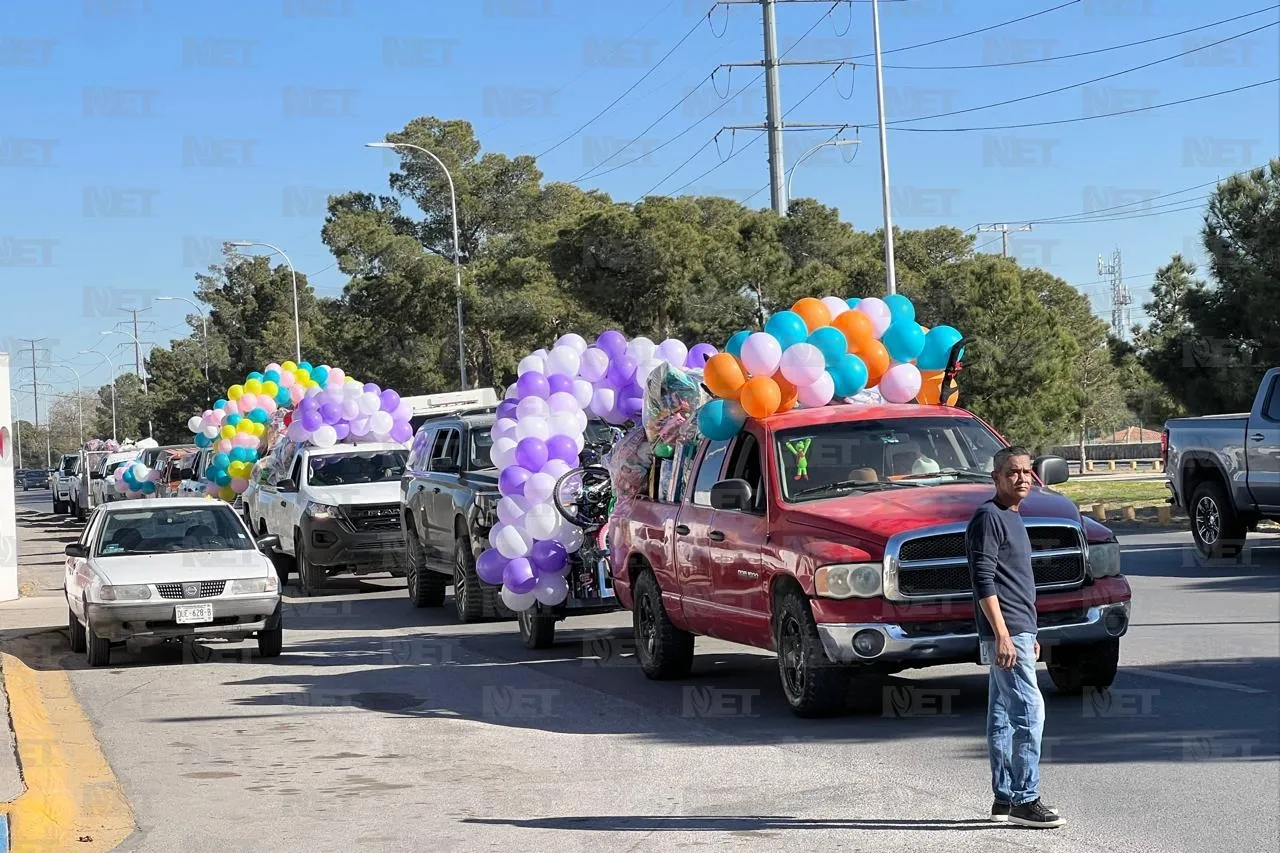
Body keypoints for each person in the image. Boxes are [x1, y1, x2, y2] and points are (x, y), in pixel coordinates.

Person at [965, 445, 1065, 829]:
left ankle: (1005, 799)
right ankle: (1026, 799)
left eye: (1026, 472)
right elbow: (983, 580)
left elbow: (1016, 584)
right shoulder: (989, 516)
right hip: (1006, 634)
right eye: (1012, 472)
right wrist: (1004, 635)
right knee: (1029, 713)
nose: (1021, 478)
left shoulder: (1012, 516)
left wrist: (1029, 632)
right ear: (996, 478)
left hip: (1019, 631)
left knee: (1003, 717)